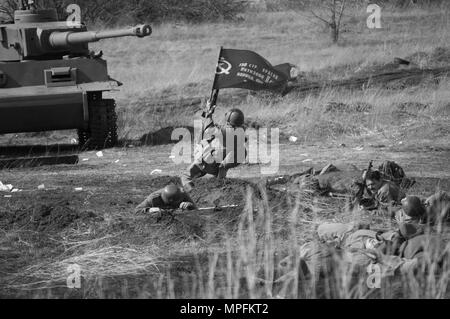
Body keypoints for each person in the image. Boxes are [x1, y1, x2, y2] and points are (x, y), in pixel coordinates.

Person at [181, 100, 247, 191]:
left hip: (205, 162)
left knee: (185, 176)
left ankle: (192, 192)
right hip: (219, 168)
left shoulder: (225, 131)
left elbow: (208, 129)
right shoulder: (241, 132)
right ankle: (221, 185)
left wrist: (209, 112)